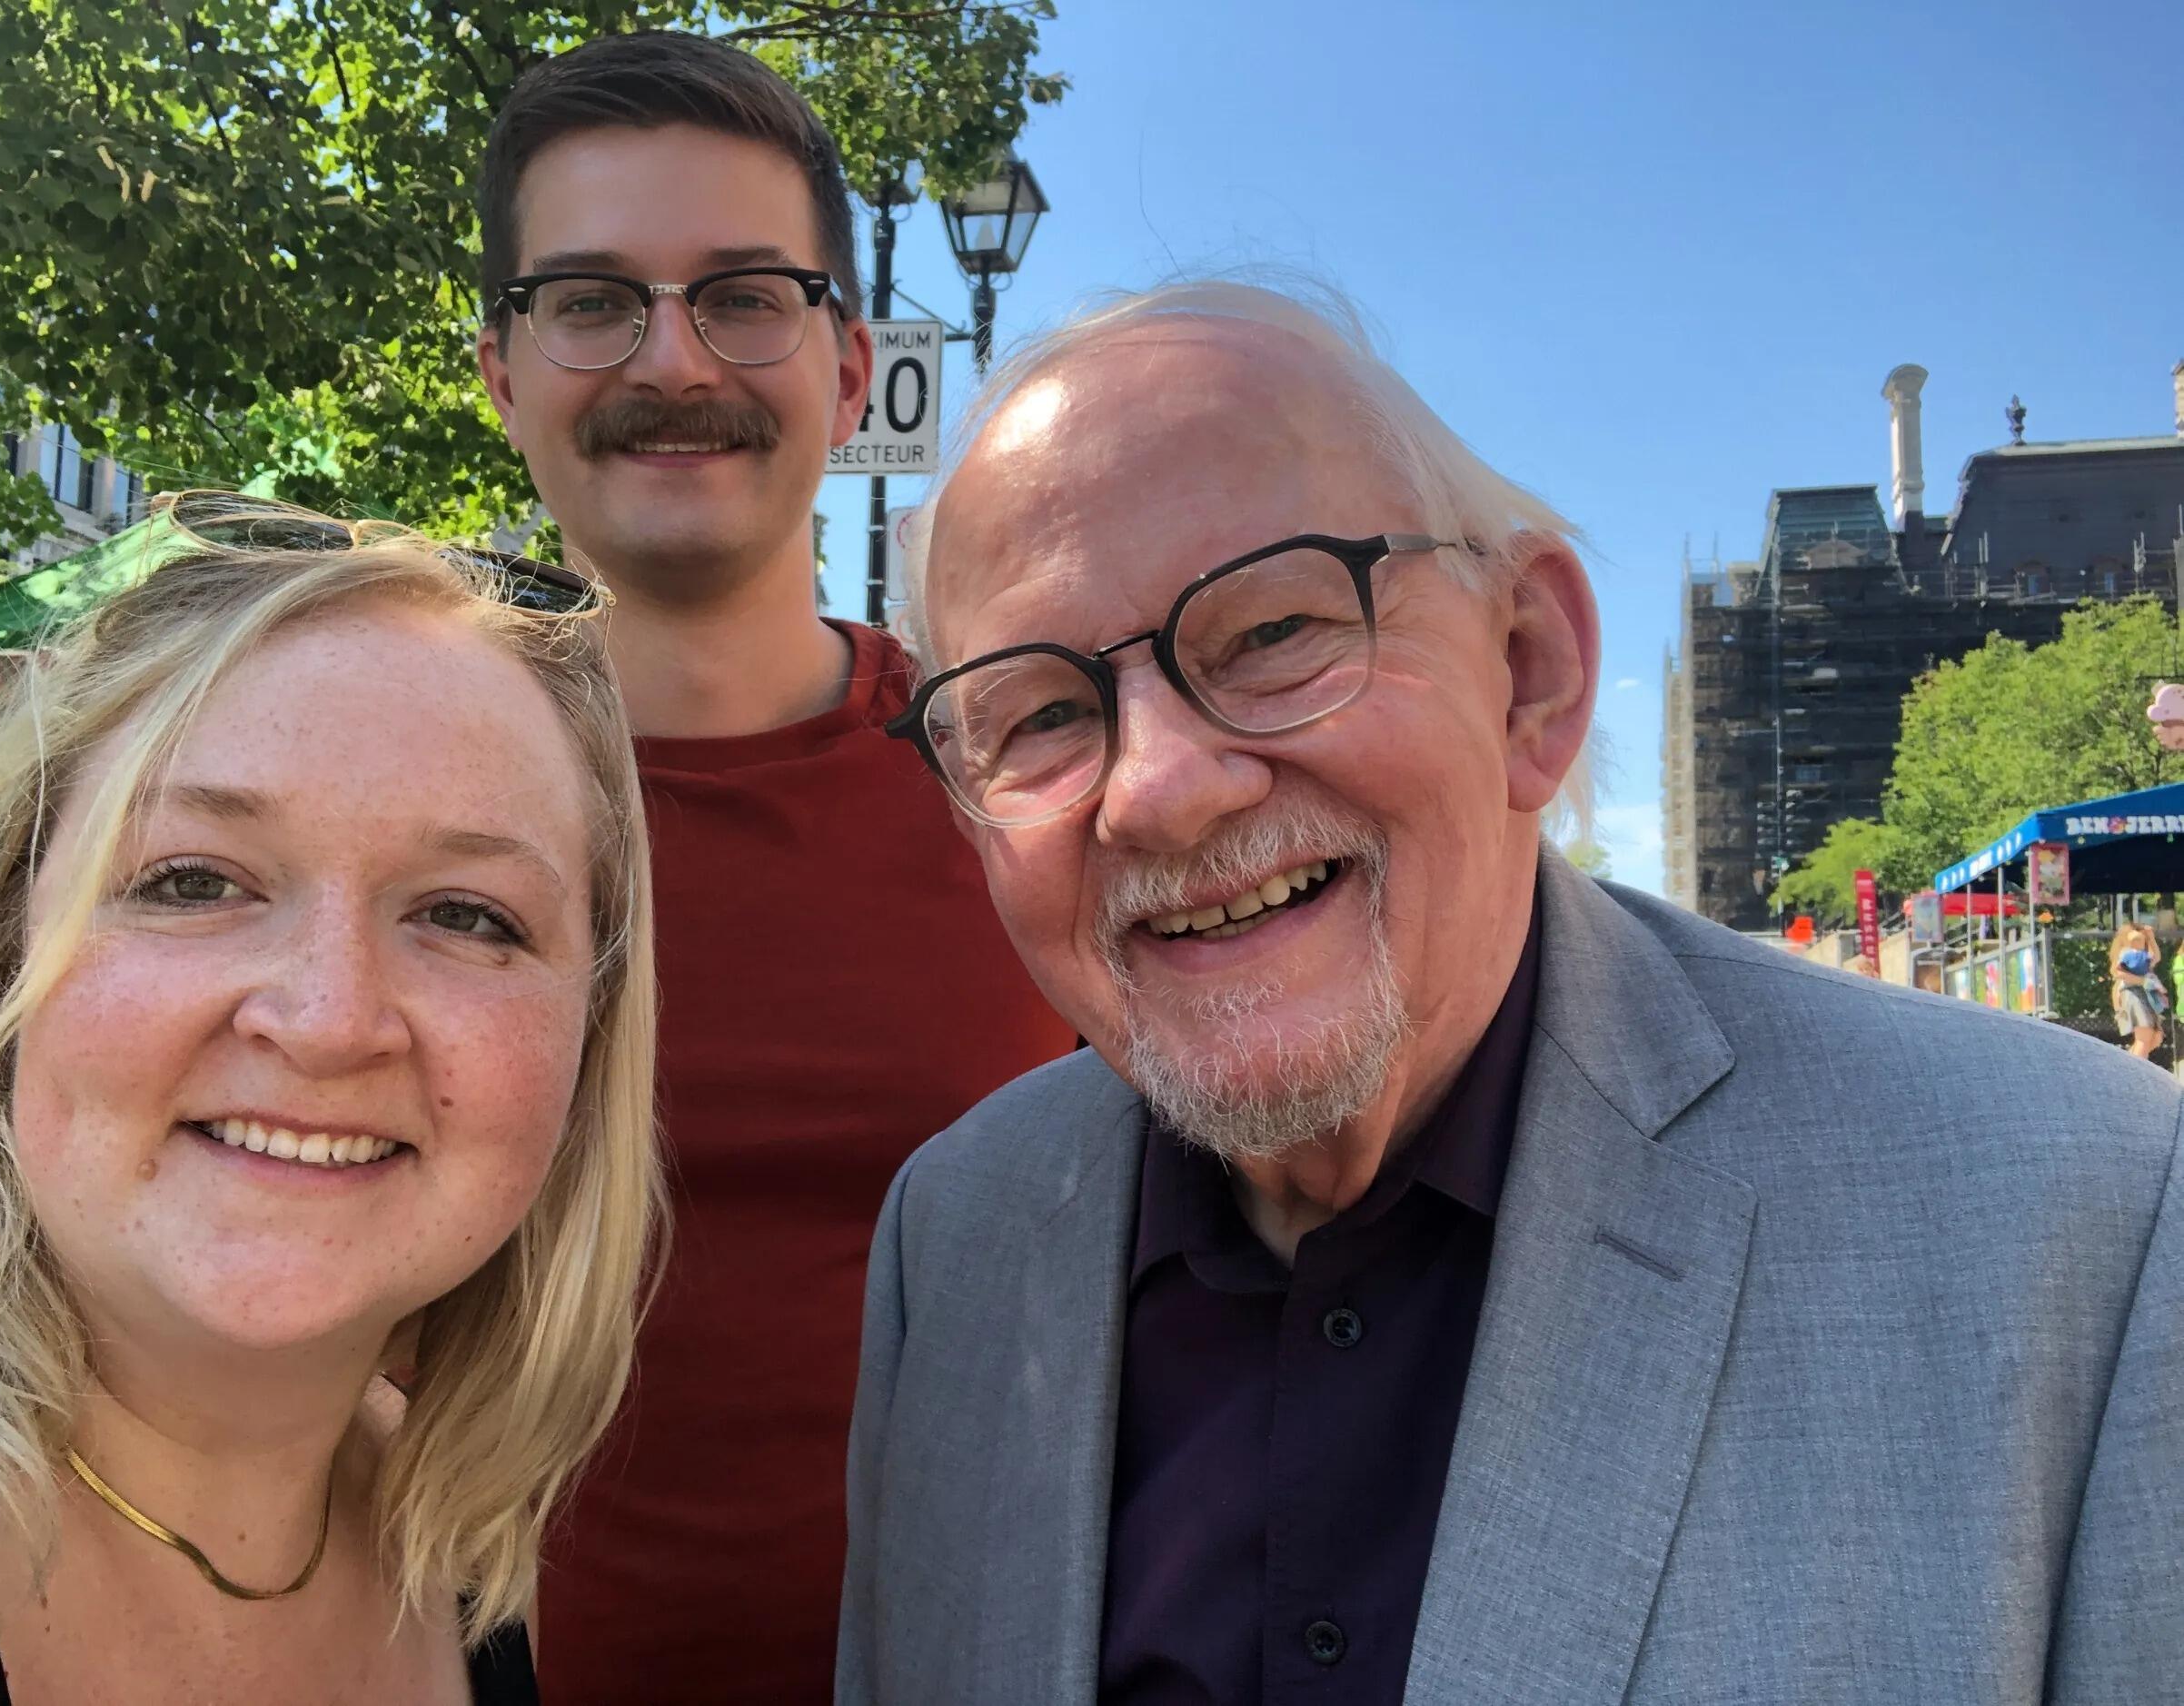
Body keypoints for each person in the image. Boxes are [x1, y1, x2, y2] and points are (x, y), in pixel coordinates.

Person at [837, 283, 2184, 1702]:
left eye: (1274, 630)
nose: (1160, 790)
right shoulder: (957, 1240)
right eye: (1043, 713)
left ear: (1530, 674)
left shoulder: (2079, 1218)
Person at [472, 31, 1072, 1701]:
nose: (673, 359)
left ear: (848, 363)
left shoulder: (1033, 783)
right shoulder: (373, 810)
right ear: (501, 370)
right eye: (591, 299)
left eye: (744, 296)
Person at [0, 501, 661, 1703]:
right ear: (1, 951)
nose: (327, 1019)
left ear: (589, 1032)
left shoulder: (450, 1552)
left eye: (465, 913)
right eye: (193, 882)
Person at [2111, 919, 2164, 1059]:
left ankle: (2127, 1064)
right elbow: (2118, 973)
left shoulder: (2143, 957)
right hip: (2133, 994)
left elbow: (2156, 957)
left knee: (2156, 1037)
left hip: (2145, 995)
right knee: (2144, 1037)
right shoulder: (2126, 954)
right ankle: (2134, 1069)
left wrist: (2151, 938)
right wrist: (2143, 981)